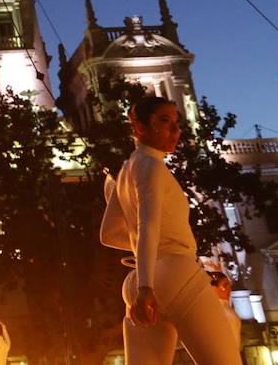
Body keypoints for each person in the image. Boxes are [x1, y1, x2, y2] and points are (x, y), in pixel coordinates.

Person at [100, 94, 240, 365]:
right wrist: (146, 287)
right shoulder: (151, 165)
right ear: (140, 127)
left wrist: (145, 272)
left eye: (177, 122)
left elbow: (109, 235)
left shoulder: (127, 169)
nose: (176, 130)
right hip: (172, 276)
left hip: (138, 281)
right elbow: (148, 225)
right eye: (165, 121)